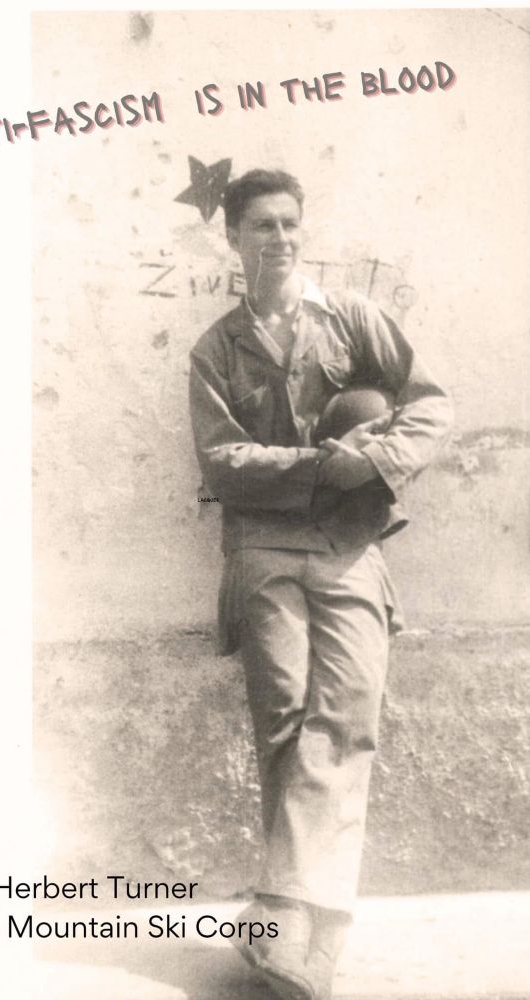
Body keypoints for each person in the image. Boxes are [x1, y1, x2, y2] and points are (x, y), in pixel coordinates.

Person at [188, 169, 453, 1000]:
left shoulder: (356, 319)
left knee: (346, 721)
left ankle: (286, 919)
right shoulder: (216, 347)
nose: (279, 239)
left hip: (349, 547)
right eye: (260, 226)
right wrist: (320, 467)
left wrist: (369, 459)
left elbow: (430, 406)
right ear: (231, 239)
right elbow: (223, 460)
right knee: (285, 725)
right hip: (265, 546)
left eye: (289, 223)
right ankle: (305, 939)